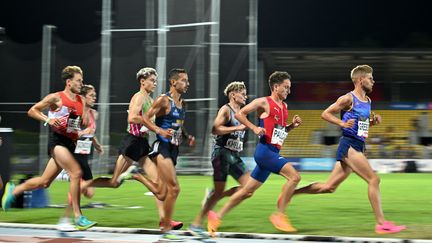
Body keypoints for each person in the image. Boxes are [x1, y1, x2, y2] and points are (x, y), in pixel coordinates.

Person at [294, 65, 406, 234]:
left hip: (358, 145)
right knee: (374, 180)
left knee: (329, 187)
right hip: (349, 145)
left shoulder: (368, 101)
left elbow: (361, 124)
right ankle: (381, 223)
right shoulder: (348, 98)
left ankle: (294, 192)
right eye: (370, 78)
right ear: (361, 80)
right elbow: (325, 113)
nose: (373, 81)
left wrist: (372, 123)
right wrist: (341, 123)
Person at [207, 71, 302, 237]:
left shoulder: (284, 107)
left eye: (289, 88)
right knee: (294, 177)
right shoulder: (263, 102)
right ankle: (279, 215)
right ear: (276, 86)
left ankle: (216, 217)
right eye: (286, 87)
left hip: (273, 151)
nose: (288, 91)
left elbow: (279, 131)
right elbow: (239, 114)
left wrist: (291, 126)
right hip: (265, 152)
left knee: (247, 192)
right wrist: (254, 128)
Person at [1, 66, 97, 230]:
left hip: (70, 143)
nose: (81, 83)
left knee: (44, 182)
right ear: (69, 82)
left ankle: (14, 190)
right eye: (78, 80)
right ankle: (78, 217)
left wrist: (80, 129)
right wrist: (49, 120)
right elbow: (32, 111)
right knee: (76, 173)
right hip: (57, 142)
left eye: (82, 80)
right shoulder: (56, 98)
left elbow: (76, 124)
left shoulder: (81, 101)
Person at [84, 67, 166, 200]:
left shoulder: (151, 101)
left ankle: (136, 175)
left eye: (155, 81)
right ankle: (84, 185)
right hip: (132, 143)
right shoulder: (138, 97)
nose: (155, 83)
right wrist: (150, 124)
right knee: (114, 183)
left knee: (160, 188)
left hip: (143, 144)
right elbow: (132, 118)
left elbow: (149, 124)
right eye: (152, 80)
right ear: (142, 81)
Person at [188, 81, 249, 238]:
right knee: (220, 191)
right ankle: (195, 225)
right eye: (242, 93)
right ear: (232, 94)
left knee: (249, 188)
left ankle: (213, 196)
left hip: (234, 155)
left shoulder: (242, 113)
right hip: (221, 153)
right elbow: (215, 129)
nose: (245, 96)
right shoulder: (226, 110)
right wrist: (236, 128)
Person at [143, 68, 195, 242]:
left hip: (174, 149)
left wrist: (187, 137)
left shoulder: (183, 103)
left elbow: (179, 125)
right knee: (174, 188)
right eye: (184, 80)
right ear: (173, 82)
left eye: (187, 81)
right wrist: (159, 130)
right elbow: (145, 117)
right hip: (161, 147)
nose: (187, 83)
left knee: (163, 191)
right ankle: (166, 229)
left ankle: (164, 223)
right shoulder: (163, 100)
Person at [57, 84, 103, 231]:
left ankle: (66, 218)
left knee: (89, 192)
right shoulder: (76, 112)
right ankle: (66, 219)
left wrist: (96, 144)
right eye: (91, 95)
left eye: (95, 95)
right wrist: (83, 133)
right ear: (83, 97)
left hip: (85, 152)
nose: (94, 97)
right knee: (86, 185)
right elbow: (71, 132)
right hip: (75, 151)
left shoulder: (94, 114)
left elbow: (92, 132)